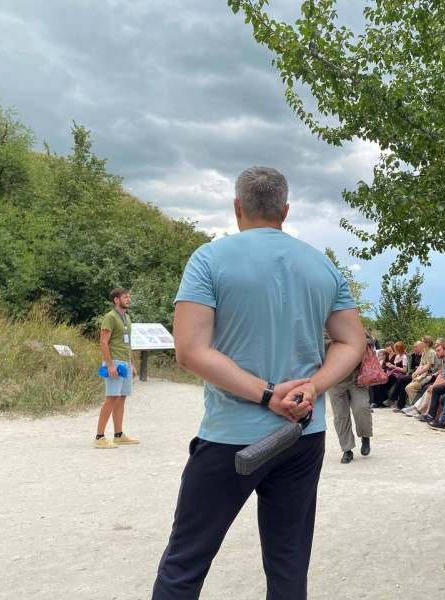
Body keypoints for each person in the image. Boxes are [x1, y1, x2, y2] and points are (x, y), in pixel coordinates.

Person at [152, 166, 365, 600]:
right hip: (302, 434)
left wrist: (267, 395)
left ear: (237, 207)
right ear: (285, 210)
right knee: (289, 565)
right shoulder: (322, 265)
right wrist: (313, 387)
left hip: (232, 436)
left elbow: (190, 350)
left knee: (185, 563)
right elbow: (351, 341)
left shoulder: (209, 259)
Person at [93, 287, 138, 449]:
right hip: (115, 361)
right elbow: (103, 342)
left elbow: (128, 343)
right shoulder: (110, 317)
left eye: (129, 296)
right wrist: (110, 364)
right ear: (116, 300)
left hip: (125, 361)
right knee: (112, 397)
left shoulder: (127, 317)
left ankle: (118, 435)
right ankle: (99, 437)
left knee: (121, 398)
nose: (129, 299)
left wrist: (133, 364)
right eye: (125, 297)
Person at [327, 334, 373, 464]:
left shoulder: (349, 324)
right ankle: (347, 449)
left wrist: (357, 340)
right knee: (340, 416)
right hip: (335, 380)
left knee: (362, 408)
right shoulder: (322, 330)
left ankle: (365, 435)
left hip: (357, 376)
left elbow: (369, 340)